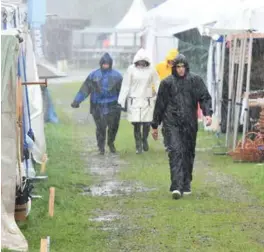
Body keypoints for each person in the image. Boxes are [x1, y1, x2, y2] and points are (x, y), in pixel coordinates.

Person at [151, 54, 213, 200]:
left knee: (188, 152)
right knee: (175, 151)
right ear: (174, 68)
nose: (180, 69)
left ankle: (186, 183)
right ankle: (177, 186)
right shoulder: (166, 83)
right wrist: (155, 125)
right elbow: (160, 105)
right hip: (171, 122)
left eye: (182, 66)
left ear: (186, 67)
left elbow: (204, 97)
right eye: (177, 67)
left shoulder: (195, 80)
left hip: (190, 123)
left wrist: (207, 113)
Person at [71, 53, 123, 155]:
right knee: (100, 128)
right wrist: (77, 101)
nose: (105, 65)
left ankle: (111, 142)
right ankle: (101, 147)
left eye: (107, 64)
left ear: (110, 64)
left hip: (113, 106)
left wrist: (124, 104)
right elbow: (85, 89)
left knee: (113, 127)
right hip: (97, 106)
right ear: (101, 64)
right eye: (104, 64)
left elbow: (123, 92)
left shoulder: (117, 76)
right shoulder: (94, 75)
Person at [118, 48, 160, 154]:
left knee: (146, 123)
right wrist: (121, 100)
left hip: (147, 99)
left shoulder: (151, 70)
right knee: (136, 124)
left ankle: (144, 139)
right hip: (135, 99)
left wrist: (159, 96)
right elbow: (126, 85)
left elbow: (157, 82)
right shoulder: (131, 69)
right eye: (139, 61)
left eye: (143, 61)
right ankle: (138, 146)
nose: (141, 63)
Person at [155, 49, 179, 151]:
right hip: (163, 98)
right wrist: (155, 90)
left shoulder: (180, 69)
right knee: (166, 122)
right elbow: (154, 79)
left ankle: (175, 142)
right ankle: (167, 143)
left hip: (176, 99)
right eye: (170, 61)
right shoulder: (159, 67)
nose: (171, 63)